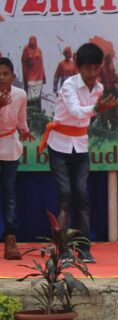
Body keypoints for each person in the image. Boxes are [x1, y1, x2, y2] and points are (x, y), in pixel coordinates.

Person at [40, 43, 118, 263]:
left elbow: (84, 120)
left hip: (81, 147)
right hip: (59, 147)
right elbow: (75, 112)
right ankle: (63, 248)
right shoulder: (68, 85)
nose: (92, 74)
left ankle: (83, 248)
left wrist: (96, 111)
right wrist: (96, 110)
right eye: (88, 69)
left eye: (96, 68)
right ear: (78, 66)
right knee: (65, 196)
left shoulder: (99, 89)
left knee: (82, 196)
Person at [0, 58, 35, 259]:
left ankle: (10, 238)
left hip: (10, 147)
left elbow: (21, 119)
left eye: (5, 73)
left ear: (13, 76)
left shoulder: (20, 95)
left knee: (10, 193)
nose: (1, 77)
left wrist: (25, 131)